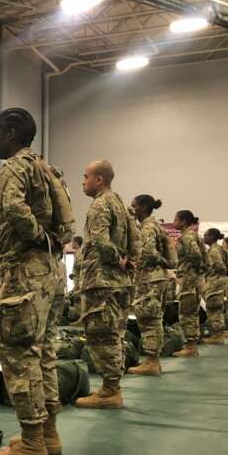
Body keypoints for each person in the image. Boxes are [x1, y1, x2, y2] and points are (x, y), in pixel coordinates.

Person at [0, 107, 60, 455]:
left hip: (23, 271)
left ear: (11, 134)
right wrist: (49, 240)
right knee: (43, 351)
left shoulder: (13, 167)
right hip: (47, 271)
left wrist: (35, 235)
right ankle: (49, 434)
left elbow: (14, 207)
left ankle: (32, 444)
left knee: (18, 354)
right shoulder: (46, 168)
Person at [76, 160, 133, 408]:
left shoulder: (100, 204)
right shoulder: (120, 203)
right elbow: (135, 239)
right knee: (115, 333)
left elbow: (99, 241)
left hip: (101, 279)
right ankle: (112, 387)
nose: (83, 181)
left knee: (101, 334)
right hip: (118, 281)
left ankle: (110, 391)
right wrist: (128, 260)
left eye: (86, 176)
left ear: (99, 180)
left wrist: (116, 259)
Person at [126, 194, 174, 376]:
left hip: (150, 277)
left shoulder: (147, 227)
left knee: (147, 319)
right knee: (155, 318)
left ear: (144, 208)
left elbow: (146, 251)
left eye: (134, 206)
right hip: (158, 277)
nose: (132, 209)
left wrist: (156, 260)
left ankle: (151, 361)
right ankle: (153, 360)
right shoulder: (156, 226)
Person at [172, 210, 204, 357]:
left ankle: (190, 347)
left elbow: (196, 256)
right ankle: (192, 345)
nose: (174, 223)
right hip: (193, 278)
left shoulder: (187, 237)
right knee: (192, 312)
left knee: (187, 312)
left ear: (184, 221)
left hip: (189, 279)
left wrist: (191, 271)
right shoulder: (192, 235)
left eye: (176, 220)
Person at [202, 228, 228, 345]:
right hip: (217, 281)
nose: (204, 237)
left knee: (213, 308)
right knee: (216, 308)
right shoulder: (219, 249)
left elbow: (220, 266)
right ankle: (217, 334)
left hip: (215, 282)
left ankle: (217, 335)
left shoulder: (214, 251)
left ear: (212, 237)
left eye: (206, 235)